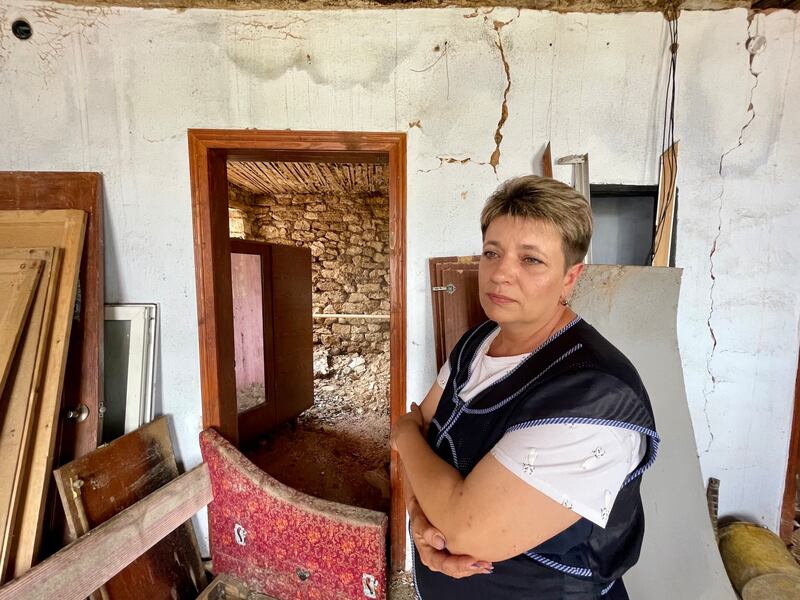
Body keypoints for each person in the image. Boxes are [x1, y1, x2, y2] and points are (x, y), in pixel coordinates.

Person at [391, 175, 659, 599]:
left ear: (570, 277)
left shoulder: (595, 396)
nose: (501, 274)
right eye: (492, 253)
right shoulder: (477, 342)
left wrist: (403, 435)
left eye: (531, 259)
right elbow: (422, 428)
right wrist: (418, 518)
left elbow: (465, 530)